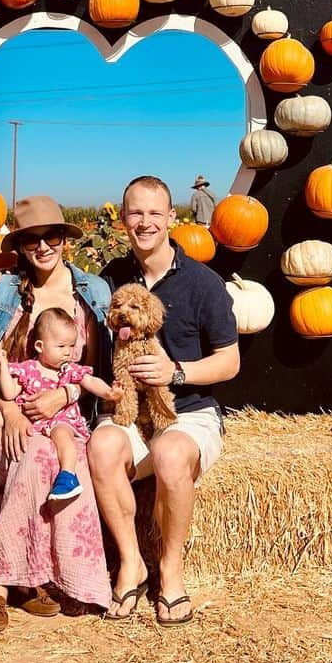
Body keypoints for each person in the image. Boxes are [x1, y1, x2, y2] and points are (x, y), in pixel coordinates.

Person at [0, 195, 113, 631]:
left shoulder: (94, 293)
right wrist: (10, 411)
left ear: (65, 239)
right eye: (32, 240)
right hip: (0, 411)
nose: (43, 247)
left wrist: (62, 397)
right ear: (20, 246)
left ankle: (30, 577)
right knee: (28, 452)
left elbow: (97, 374)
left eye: (51, 237)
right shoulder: (2, 294)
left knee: (49, 458)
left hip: (66, 418)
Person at [90, 175, 240, 625]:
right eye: (136, 213)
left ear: (172, 218)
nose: (145, 222)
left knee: (170, 452)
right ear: (123, 219)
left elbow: (230, 362)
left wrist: (176, 372)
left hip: (187, 412)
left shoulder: (203, 282)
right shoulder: (109, 279)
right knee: (101, 447)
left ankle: (169, 571)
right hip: (128, 411)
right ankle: (132, 563)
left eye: (155, 213)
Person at [0, 307, 123, 503]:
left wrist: (108, 392)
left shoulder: (70, 370)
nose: (69, 352)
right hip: (30, 418)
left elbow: (90, 382)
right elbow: (9, 392)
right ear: (40, 346)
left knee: (63, 435)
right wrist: (4, 367)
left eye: (72, 346)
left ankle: (68, 475)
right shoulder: (28, 368)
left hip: (61, 419)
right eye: (61, 346)